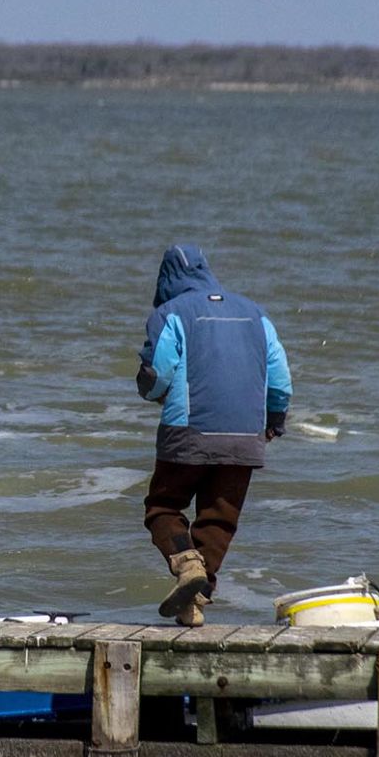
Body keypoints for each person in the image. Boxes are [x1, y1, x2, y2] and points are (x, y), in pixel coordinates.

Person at [135, 244, 292, 627]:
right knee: (218, 520)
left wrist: (148, 391)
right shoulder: (257, 314)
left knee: (163, 506)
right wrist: (274, 421)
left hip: (189, 430)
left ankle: (187, 564)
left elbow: (158, 376)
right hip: (245, 435)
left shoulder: (170, 312)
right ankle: (195, 604)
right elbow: (280, 378)